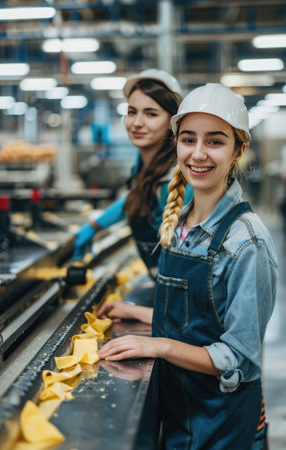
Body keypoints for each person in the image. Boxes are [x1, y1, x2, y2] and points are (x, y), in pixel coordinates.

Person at [97, 83, 278, 449]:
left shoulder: (247, 242)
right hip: (182, 410)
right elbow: (198, 319)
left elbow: (237, 357)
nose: (198, 154)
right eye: (188, 139)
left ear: (238, 149)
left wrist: (160, 346)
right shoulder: (179, 222)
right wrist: (140, 312)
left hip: (221, 421)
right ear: (176, 143)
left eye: (215, 141)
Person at [73, 69, 193, 282]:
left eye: (151, 114)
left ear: (171, 122)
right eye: (131, 111)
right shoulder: (145, 162)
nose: (137, 122)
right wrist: (95, 225)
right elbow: (138, 196)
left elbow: (190, 271)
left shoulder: (177, 180)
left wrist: (141, 312)